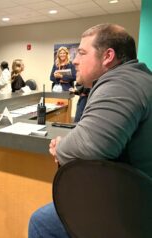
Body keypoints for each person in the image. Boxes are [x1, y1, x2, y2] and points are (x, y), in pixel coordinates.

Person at [29, 23, 152, 238]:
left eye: (82, 53)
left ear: (108, 56)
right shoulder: (137, 78)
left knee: (42, 223)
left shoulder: (121, 85)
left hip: (136, 207)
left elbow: (89, 147)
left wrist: (61, 147)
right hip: (136, 194)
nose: (75, 60)